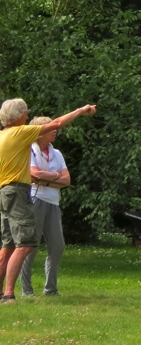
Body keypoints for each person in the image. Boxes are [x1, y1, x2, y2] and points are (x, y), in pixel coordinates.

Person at [0, 99, 95, 302]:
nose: (27, 117)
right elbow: (58, 123)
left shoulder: (2, 136)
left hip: (5, 192)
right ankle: (9, 294)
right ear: (17, 117)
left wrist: (46, 178)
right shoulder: (20, 133)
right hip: (18, 191)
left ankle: (2, 292)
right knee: (25, 244)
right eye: (25, 113)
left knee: (8, 245)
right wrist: (80, 110)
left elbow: (62, 179)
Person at [19, 116, 70, 297]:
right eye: (50, 128)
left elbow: (67, 179)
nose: (55, 130)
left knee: (57, 245)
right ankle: (26, 290)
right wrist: (56, 176)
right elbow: (33, 174)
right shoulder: (29, 151)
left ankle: (51, 288)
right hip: (35, 200)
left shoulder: (57, 153)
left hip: (53, 202)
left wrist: (47, 179)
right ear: (40, 133)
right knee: (30, 245)